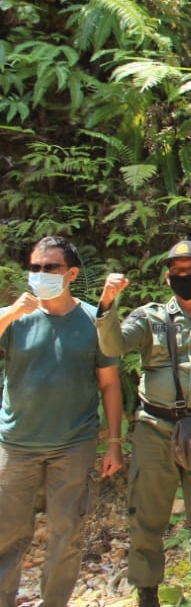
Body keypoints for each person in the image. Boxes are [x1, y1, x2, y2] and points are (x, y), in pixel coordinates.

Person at [95, 240, 191, 607]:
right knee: (146, 513)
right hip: (154, 429)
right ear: (167, 276)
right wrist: (108, 302)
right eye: (177, 270)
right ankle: (147, 591)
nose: (184, 276)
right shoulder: (150, 317)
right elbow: (114, 346)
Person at [0, 236, 125, 607]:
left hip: (73, 444)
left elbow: (110, 383)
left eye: (49, 268)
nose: (39, 274)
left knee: (65, 534)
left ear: (71, 273)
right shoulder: (14, 318)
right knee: (7, 534)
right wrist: (8, 313)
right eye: (34, 267)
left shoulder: (91, 319)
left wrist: (114, 443)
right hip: (15, 444)